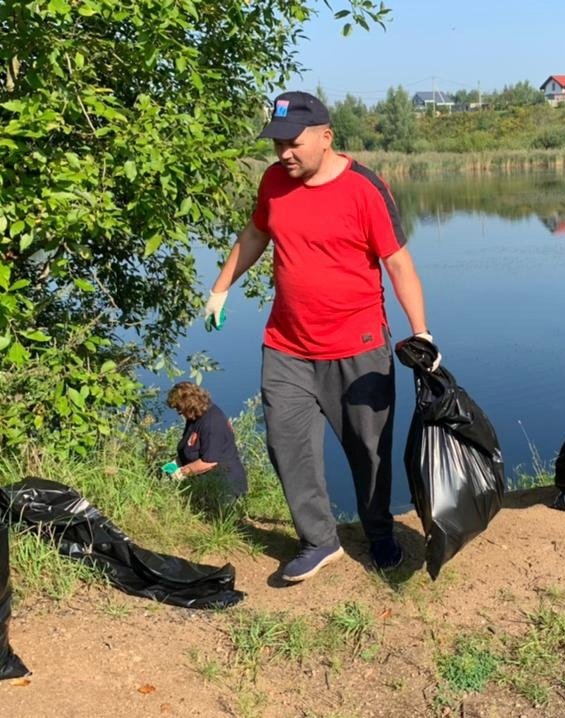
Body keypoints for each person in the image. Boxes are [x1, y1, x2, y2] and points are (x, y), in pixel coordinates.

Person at [203, 91, 439, 582]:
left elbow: (398, 263)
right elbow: (254, 235)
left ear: (326, 137)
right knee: (287, 446)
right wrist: (220, 289)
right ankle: (319, 539)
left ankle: (379, 534)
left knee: (369, 454)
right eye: (276, 144)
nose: (283, 153)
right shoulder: (273, 181)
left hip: (359, 351)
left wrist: (423, 332)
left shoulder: (365, 188)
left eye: (293, 143)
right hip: (287, 346)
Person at [164, 381, 248, 498]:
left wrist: (182, 472)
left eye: (179, 409)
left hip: (224, 487)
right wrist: (176, 463)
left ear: (188, 405)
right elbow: (191, 446)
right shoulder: (195, 415)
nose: (179, 413)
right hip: (206, 484)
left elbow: (209, 462)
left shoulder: (212, 422)